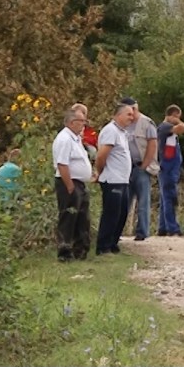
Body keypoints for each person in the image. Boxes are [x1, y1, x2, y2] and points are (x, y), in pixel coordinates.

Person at [52, 109, 93, 262]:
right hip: (69, 182)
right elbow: (62, 164)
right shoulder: (64, 139)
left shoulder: (75, 139)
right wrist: (69, 186)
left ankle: (80, 249)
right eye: (81, 121)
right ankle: (65, 251)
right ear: (71, 122)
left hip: (79, 183)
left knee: (82, 217)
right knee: (68, 216)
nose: (84, 124)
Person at [95, 103, 134, 256]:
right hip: (112, 180)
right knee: (112, 214)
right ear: (118, 115)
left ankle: (113, 243)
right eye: (128, 114)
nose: (132, 117)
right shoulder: (111, 131)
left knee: (122, 213)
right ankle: (103, 246)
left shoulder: (122, 132)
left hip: (122, 179)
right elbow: (101, 156)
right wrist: (101, 171)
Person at [120, 97, 159, 241]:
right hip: (126, 167)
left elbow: (153, 145)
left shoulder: (147, 123)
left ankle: (142, 232)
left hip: (141, 165)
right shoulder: (124, 124)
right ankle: (119, 231)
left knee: (143, 202)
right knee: (124, 201)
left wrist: (145, 165)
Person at [156, 104, 184, 237]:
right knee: (170, 197)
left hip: (170, 167)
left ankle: (163, 226)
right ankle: (172, 227)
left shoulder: (169, 130)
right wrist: (177, 121)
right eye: (177, 116)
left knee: (165, 197)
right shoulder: (165, 127)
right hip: (167, 168)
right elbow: (183, 128)